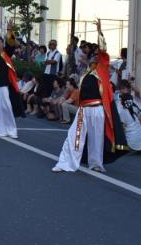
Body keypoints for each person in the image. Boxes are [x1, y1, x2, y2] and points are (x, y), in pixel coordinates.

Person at [52, 20, 128, 173]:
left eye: (95, 54)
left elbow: (103, 49)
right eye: (92, 54)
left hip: (98, 109)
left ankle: (96, 164)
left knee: (97, 139)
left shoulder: (102, 69)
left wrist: (100, 32)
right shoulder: (86, 72)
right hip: (83, 110)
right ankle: (66, 162)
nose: (93, 56)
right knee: (75, 135)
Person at [115, 81, 141, 152]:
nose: (122, 90)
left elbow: (121, 127)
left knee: (115, 146)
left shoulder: (120, 108)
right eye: (121, 88)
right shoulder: (134, 109)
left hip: (131, 145)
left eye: (124, 88)